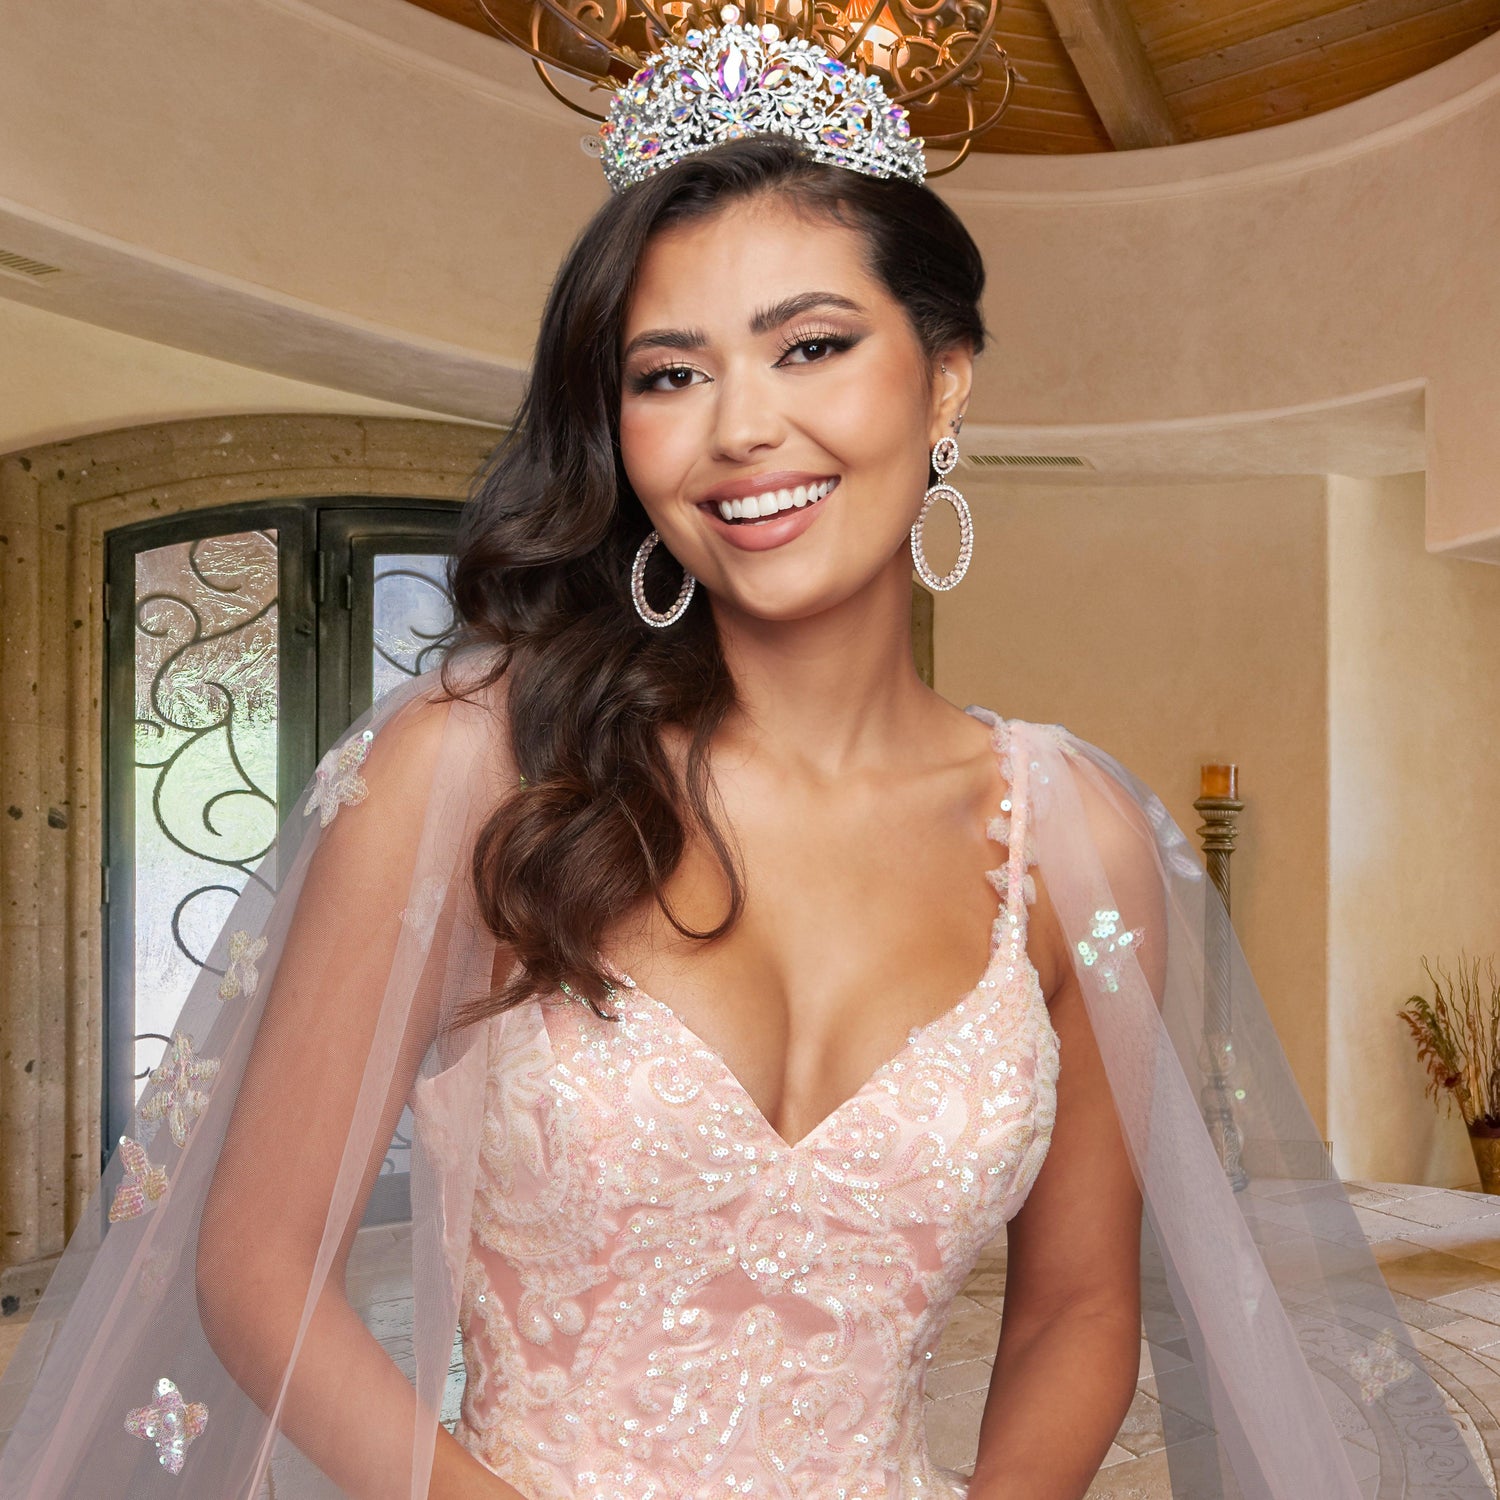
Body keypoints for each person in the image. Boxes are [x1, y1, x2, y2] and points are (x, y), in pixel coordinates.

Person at [0, 17, 1491, 1500]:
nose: (742, 429)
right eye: (669, 374)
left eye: (813, 347)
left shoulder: (1073, 836)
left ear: (946, 378)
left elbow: (1081, 1308)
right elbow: (256, 1269)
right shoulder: (477, 767)